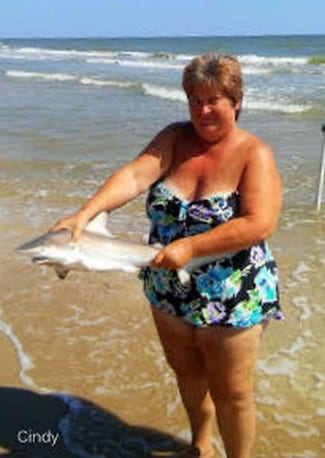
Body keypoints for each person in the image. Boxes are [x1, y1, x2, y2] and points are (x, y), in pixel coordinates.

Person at [51, 53, 282, 458]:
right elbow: (135, 175)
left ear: (236, 102)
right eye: (195, 99)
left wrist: (192, 247)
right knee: (188, 377)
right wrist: (84, 215)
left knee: (233, 394)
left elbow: (259, 223)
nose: (203, 110)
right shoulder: (175, 137)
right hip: (166, 286)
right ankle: (200, 447)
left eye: (214, 100)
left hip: (233, 294)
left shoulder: (254, 153)